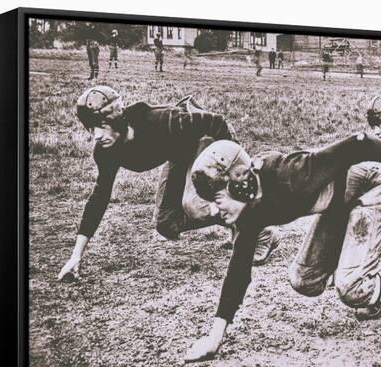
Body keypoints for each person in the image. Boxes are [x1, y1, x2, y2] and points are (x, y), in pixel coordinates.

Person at [184, 133, 381, 362]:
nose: (214, 209)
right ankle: (371, 290)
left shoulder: (290, 174)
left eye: (217, 197)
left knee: (351, 286)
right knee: (304, 280)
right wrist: (213, 338)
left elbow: (358, 142)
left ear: (238, 182)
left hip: (375, 187)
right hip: (341, 202)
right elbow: (238, 272)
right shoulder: (249, 211)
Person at [57, 85, 281, 282]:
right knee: (166, 223)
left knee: (195, 205)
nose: (97, 135)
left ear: (116, 119)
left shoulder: (163, 120)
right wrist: (76, 255)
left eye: (102, 126)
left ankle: (260, 228)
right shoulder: (106, 151)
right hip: (180, 153)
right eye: (91, 128)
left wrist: (232, 173)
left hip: (206, 140)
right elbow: (99, 197)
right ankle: (237, 224)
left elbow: (215, 123)